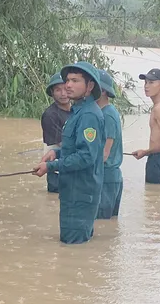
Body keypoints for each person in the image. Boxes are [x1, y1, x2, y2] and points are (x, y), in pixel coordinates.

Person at [33, 62, 105, 244]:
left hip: (80, 193)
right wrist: (56, 153)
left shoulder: (88, 115)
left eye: (75, 80)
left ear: (89, 86)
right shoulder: (78, 111)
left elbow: (85, 157)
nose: (68, 85)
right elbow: (75, 147)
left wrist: (50, 166)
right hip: (73, 191)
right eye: (67, 80)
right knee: (73, 251)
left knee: (73, 245)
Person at [132, 68, 160, 184]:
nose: (146, 86)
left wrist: (145, 152)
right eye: (145, 82)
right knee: (158, 198)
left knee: (156, 200)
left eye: (151, 83)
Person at [96, 69, 123, 219]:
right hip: (110, 177)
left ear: (104, 91)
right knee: (107, 225)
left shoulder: (107, 115)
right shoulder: (106, 112)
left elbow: (104, 154)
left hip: (107, 177)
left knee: (100, 221)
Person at [40, 73, 71, 193]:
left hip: (73, 167)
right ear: (52, 93)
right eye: (58, 90)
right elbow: (63, 144)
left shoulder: (76, 111)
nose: (63, 94)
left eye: (66, 89)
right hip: (57, 171)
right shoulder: (50, 115)